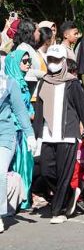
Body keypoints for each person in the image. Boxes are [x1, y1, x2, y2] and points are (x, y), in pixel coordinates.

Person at [33, 45, 84, 224]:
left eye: (56, 60)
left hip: (68, 135)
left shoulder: (72, 83)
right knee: (46, 172)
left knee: (64, 173)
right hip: (47, 135)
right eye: (50, 60)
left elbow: (82, 110)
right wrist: (35, 135)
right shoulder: (43, 82)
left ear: (63, 62)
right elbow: (39, 111)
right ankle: (71, 193)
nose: (53, 64)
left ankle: (58, 211)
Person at [0, 69, 35, 233]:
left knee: (0, 171)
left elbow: (20, 111)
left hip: (5, 134)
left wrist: (30, 135)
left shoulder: (9, 83)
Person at [4, 49, 35, 209]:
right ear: (15, 64)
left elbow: (28, 107)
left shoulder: (21, 81)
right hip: (13, 131)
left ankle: (23, 199)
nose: (28, 64)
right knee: (15, 165)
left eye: (29, 60)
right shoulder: (9, 83)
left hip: (24, 130)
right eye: (24, 61)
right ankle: (12, 202)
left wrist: (30, 113)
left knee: (26, 165)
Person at [12, 19, 44, 93]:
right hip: (27, 92)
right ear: (31, 32)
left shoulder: (29, 47)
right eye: (38, 31)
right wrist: (45, 75)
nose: (39, 33)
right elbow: (23, 71)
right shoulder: (23, 47)